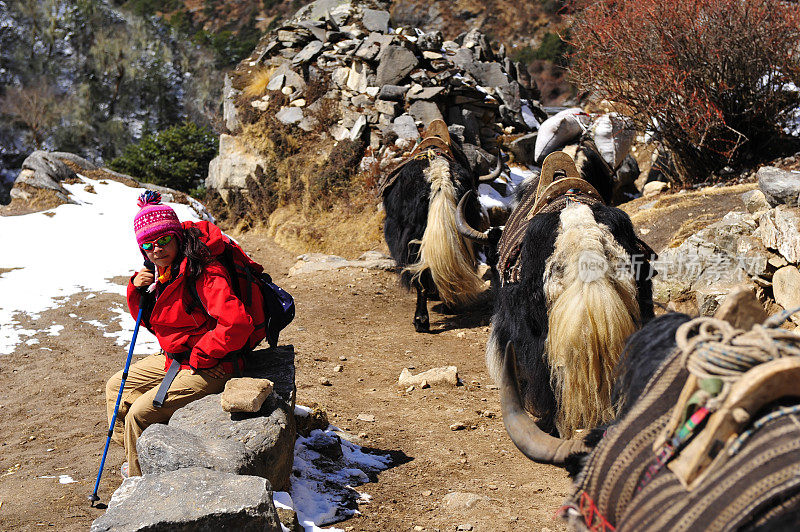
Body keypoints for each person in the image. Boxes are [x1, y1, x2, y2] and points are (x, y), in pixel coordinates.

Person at [105, 191, 255, 477]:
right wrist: (136, 290)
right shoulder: (164, 272)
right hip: (177, 356)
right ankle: (138, 454)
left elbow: (237, 324)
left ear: (176, 236)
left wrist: (200, 355)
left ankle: (140, 482)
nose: (157, 250)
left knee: (138, 413)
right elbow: (152, 321)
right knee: (117, 388)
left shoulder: (204, 271)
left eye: (163, 240)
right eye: (148, 245)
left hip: (212, 363)